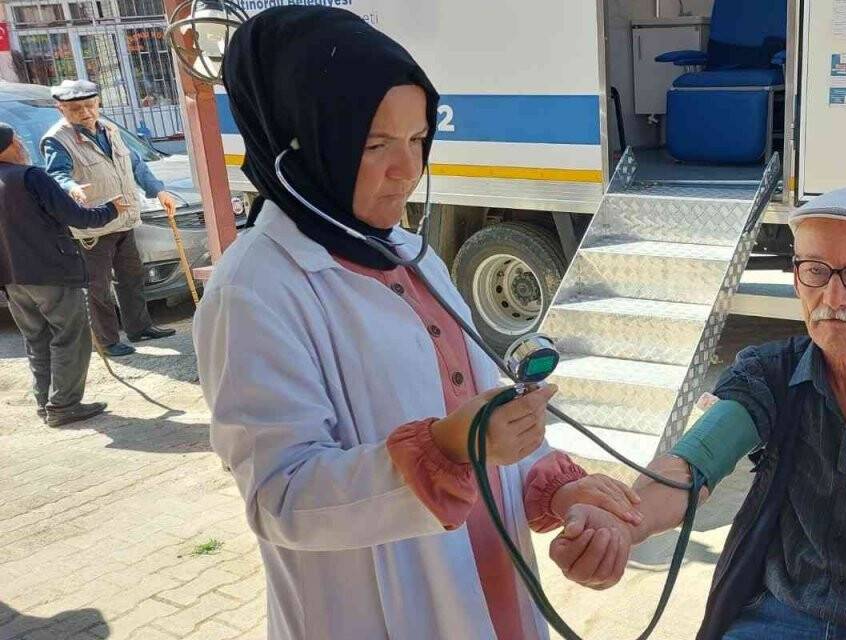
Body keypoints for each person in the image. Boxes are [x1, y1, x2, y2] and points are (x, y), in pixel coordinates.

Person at [193, 8, 640, 639]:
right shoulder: (255, 291)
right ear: (299, 142)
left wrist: (557, 491)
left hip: (493, 594)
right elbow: (281, 499)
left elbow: (478, 417)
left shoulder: (413, 256)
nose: (407, 169)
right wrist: (446, 450)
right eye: (374, 145)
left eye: (418, 139)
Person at [550, 185, 846, 639]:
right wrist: (622, 525)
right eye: (816, 270)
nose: (834, 298)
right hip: (776, 621)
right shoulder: (770, 376)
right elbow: (694, 462)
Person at [41, 78, 176, 358]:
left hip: (124, 217)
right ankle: (107, 340)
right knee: (97, 286)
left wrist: (159, 191)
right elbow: (57, 174)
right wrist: (72, 188)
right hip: (93, 225)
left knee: (131, 276)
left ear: (98, 103)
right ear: (61, 109)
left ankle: (139, 327)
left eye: (90, 105)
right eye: (76, 109)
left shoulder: (111, 128)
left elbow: (136, 164)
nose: (86, 113)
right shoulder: (56, 139)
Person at [0, 123, 123, 426]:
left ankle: (46, 402)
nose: (23, 145)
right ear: (10, 145)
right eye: (18, 140)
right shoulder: (31, 176)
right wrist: (112, 209)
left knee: (36, 339)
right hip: (50, 272)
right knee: (70, 336)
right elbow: (75, 216)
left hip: (13, 278)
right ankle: (64, 404)